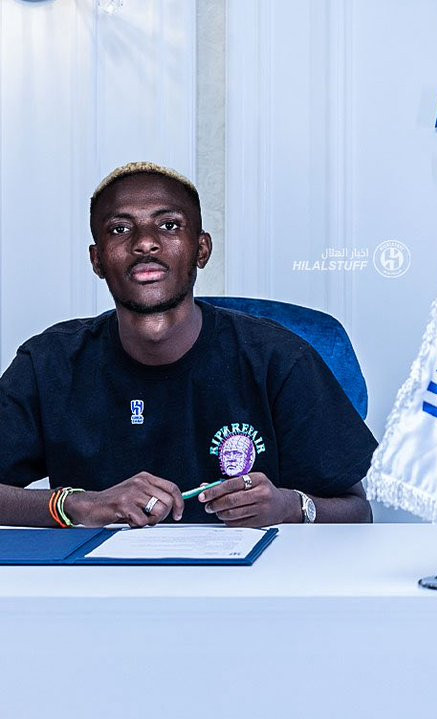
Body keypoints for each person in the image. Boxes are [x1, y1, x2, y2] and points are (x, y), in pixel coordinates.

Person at [0, 162, 378, 528]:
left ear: (202, 250)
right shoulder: (48, 363)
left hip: (257, 570)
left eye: (168, 225)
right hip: (94, 570)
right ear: (97, 260)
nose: (145, 243)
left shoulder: (279, 359)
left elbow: (358, 510)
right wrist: (76, 505)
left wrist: (289, 506)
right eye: (120, 229)